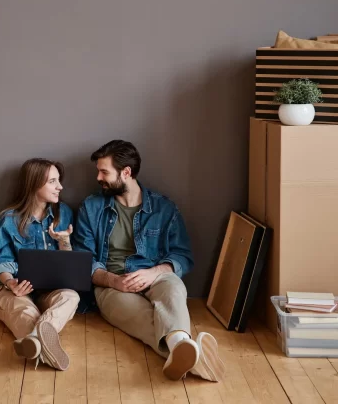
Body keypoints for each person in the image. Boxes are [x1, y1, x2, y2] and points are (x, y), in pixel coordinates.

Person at [72, 140, 225, 382]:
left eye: (104, 172)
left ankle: (181, 350)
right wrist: (113, 281)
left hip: (155, 276)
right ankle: (183, 347)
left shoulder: (164, 209)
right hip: (112, 285)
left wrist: (153, 273)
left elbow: (182, 256)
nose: (98, 177)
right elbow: (83, 260)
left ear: (126, 172)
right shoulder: (91, 208)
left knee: (174, 286)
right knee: (141, 317)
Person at [0, 158, 79, 371]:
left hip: (49, 291)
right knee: (27, 313)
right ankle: (44, 345)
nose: (60, 187)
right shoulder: (7, 220)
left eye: (59, 180)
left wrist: (64, 242)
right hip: (13, 290)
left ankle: (35, 342)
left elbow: (69, 264)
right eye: (52, 181)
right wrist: (11, 284)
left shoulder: (63, 213)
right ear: (34, 185)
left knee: (71, 297)